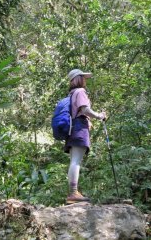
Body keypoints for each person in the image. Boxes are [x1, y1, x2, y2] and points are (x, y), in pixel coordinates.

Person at [64, 68, 107, 204]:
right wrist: (99, 116)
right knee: (76, 161)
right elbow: (85, 109)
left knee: (74, 160)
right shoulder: (80, 92)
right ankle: (73, 193)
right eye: (83, 77)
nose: (85, 80)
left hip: (72, 129)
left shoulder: (71, 94)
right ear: (78, 79)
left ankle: (73, 192)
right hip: (79, 127)